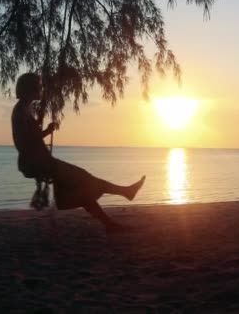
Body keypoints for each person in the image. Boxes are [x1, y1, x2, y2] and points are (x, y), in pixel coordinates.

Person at [11, 73, 145, 232]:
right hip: (39, 163)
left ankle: (110, 223)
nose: (41, 89)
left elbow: (29, 138)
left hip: (40, 162)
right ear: (30, 89)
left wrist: (46, 131)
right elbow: (24, 141)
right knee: (85, 178)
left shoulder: (24, 110)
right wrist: (40, 160)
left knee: (83, 189)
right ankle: (125, 192)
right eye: (38, 86)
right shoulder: (21, 112)